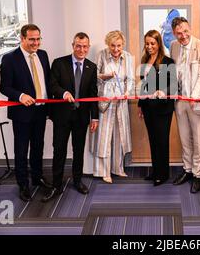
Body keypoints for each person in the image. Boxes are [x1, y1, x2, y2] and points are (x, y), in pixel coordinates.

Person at [42, 32, 99, 202]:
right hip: (62, 116)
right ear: (73, 45)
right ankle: (56, 185)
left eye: (85, 46)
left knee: (78, 150)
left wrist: (94, 117)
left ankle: (77, 180)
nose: (82, 49)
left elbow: (93, 95)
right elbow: (52, 86)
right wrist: (64, 92)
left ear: (88, 47)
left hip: (81, 117)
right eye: (78, 46)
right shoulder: (59, 63)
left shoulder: (91, 67)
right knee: (59, 150)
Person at [0, 24, 52, 202]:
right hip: (22, 113)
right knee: (21, 150)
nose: (35, 43)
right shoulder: (10, 59)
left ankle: (37, 178)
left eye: (38, 39)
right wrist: (20, 96)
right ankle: (23, 184)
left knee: (38, 146)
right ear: (22, 39)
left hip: (41, 111)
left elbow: (46, 81)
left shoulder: (43, 55)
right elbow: (4, 87)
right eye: (31, 39)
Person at [170, 17, 200, 194]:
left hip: (195, 101)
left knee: (199, 140)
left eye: (186, 31)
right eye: (179, 33)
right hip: (180, 101)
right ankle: (187, 170)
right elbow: (172, 72)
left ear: (190, 28)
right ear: (174, 33)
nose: (183, 35)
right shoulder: (173, 46)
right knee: (185, 138)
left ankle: (198, 174)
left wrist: (194, 97)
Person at [89, 30, 134, 183]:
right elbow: (93, 76)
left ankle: (118, 168)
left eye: (119, 46)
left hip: (121, 102)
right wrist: (105, 76)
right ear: (108, 45)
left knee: (120, 136)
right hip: (105, 102)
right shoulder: (101, 54)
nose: (116, 49)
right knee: (104, 137)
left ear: (123, 45)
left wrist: (127, 93)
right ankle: (104, 171)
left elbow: (131, 80)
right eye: (112, 46)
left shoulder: (128, 57)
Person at [138, 30, 177, 186]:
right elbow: (143, 86)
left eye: (152, 43)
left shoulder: (168, 62)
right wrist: (140, 105)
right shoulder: (144, 61)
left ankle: (163, 174)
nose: (149, 46)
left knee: (162, 141)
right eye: (147, 43)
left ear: (159, 44)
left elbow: (174, 85)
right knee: (153, 140)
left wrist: (163, 91)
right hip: (148, 108)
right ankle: (155, 171)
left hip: (163, 109)